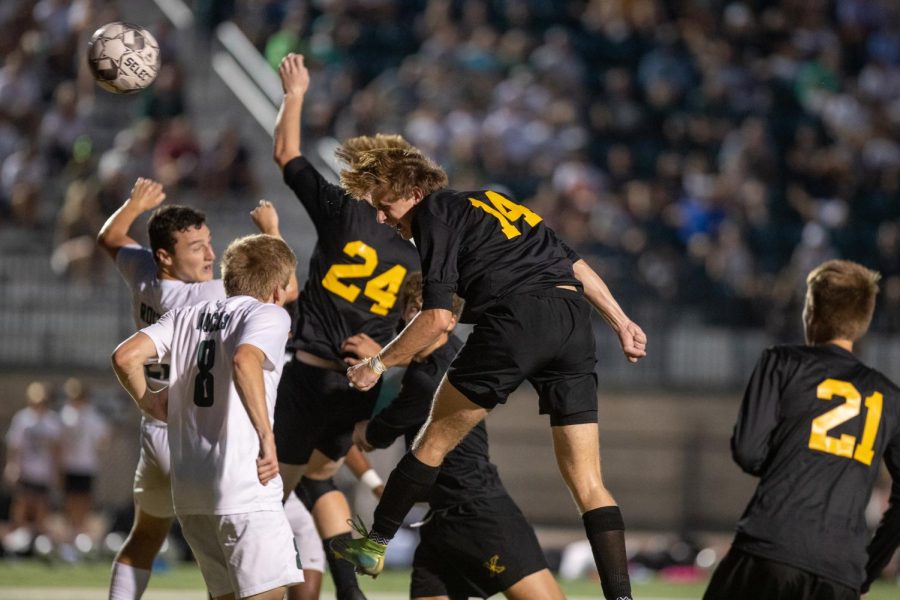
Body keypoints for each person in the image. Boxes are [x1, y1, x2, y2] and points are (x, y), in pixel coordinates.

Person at [336, 138, 646, 600]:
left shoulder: (436, 213)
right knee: (588, 481)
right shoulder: (494, 201)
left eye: (384, 205)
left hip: (518, 318)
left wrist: (376, 364)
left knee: (434, 438)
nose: (382, 217)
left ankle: (375, 543)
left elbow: (439, 318)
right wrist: (621, 322)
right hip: (573, 320)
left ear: (413, 191)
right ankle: (621, 598)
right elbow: (576, 264)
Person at [96, 178, 325, 600]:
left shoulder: (146, 276)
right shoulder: (210, 295)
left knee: (145, 538)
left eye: (210, 243)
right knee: (300, 542)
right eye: (196, 247)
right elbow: (280, 293)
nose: (209, 254)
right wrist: (271, 230)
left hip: (172, 440)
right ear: (165, 256)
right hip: (231, 454)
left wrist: (133, 204)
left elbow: (110, 238)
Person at [272, 54, 419, 600]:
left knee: (266, 500)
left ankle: (260, 587)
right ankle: (351, 595)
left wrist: (296, 93)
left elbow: (286, 153)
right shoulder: (422, 241)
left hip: (310, 376)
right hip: (363, 382)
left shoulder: (345, 210)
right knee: (320, 478)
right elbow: (423, 314)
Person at [346, 272, 565, 600]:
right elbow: (421, 357)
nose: (411, 316)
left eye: (423, 310)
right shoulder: (446, 357)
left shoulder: (429, 379)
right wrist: (386, 357)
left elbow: (372, 436)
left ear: (449, 321)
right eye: (409, 307)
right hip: (439, 521)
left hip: (478, 512)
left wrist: (374, 371)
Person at [704, 259, 900, 600]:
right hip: (841, 571)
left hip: (771, 546)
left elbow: (748, 451)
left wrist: (791, 463)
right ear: (863, 321)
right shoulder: (889, 396)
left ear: (811, 312)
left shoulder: (781, 361)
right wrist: (867, 568)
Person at [3, 381, 61, 546]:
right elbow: (15, 445)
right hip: (26, 469)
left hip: (43, 471)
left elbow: (57, 450)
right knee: (21, 504)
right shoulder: (22, 418)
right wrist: (12, 466)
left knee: (42, 506)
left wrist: (56, 472)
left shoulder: (52, 421)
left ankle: (37, 540)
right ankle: (17, 541)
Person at [59, 377, 111, 541]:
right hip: (69, 465)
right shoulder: (65, 415)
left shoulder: (92, 417)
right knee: (69, 501)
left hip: (86, 465)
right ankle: (71, 532)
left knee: (84, 500)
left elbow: (103, 439)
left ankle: (80, 533)